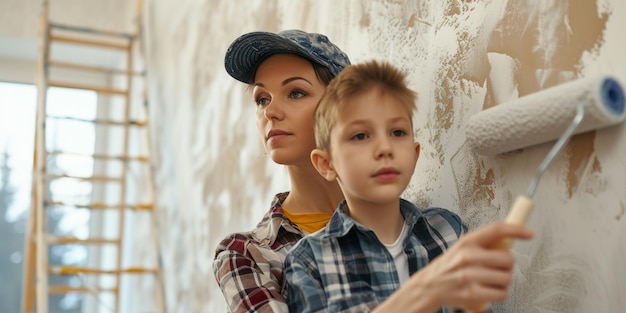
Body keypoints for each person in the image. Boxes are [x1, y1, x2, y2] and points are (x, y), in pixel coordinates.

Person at [284, 60, 534, 313]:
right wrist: (424, 292)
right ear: (326, 163)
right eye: (360, 135)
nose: (385, 148)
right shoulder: (308, 260)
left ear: (414, 155)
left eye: (397, 132)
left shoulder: (448, 230)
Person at [213, 29, 351, 313]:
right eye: (262, 98)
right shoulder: (247, 255)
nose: (270, 111)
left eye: (296, 92)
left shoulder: (407, 224)